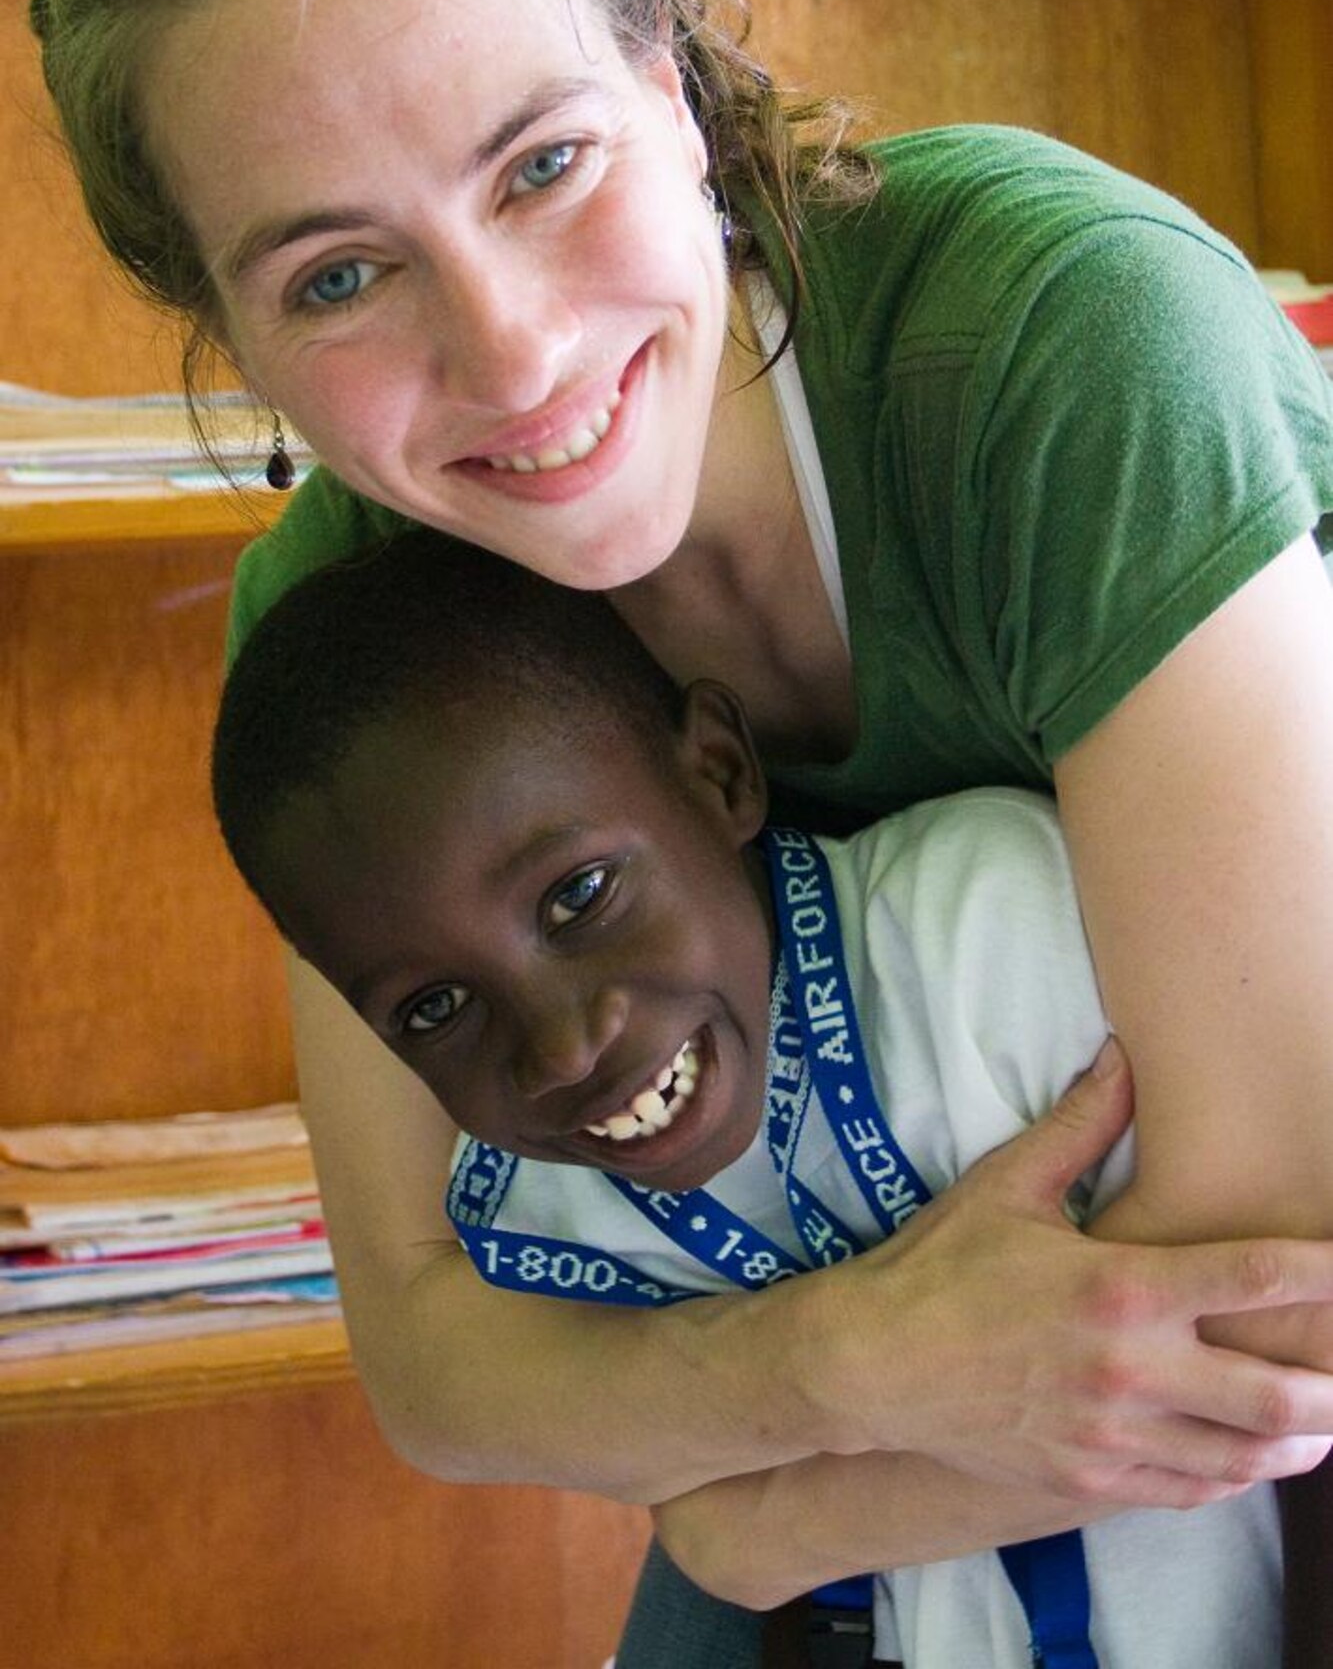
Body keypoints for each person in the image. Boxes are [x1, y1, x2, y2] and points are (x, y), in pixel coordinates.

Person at [27, 0, 1333, 1667]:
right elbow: (437, 1360)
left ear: (678, 81)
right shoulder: (349, 614)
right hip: (929, 1329)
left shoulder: (1068, 344)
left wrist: (756, 1521)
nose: (513, 345)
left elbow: (1284, 1286)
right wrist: (844, 1356)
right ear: (233, 345)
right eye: (332, 279)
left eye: (542, 163)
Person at [210, 524, 1287, 1669]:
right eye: (433, 1009)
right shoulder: (552, 1218)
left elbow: (1279, 1321)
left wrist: (753, 1531)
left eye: (579, 895)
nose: (565, 1046)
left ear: (720, 773)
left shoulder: (993, 938)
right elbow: (456, 1405)